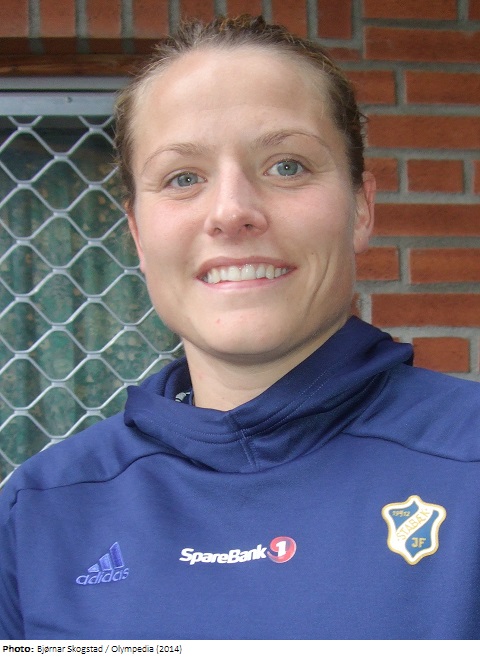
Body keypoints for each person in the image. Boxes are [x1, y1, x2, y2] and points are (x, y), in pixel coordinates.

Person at [0, 15, 479, 641]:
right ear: (138, 233)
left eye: (287, 166)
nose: (231, 212)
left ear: (361, 208)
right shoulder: (41, 513)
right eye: (183, 178)